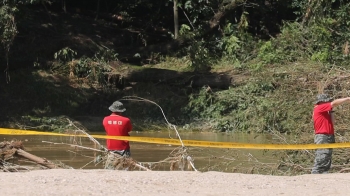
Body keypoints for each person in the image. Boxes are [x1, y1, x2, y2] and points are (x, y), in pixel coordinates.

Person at [311, 94, 350, 174]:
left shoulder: (325, 112)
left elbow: (332, 123)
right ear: (322, 101)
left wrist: (331, 111)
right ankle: (315, 173)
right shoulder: (320, 107)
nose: (329, 102)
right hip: (322, 136)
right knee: (322, 156)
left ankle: (324, 172)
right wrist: (347, 99)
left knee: (327, 156)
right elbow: (334, 103)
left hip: (328, 135)